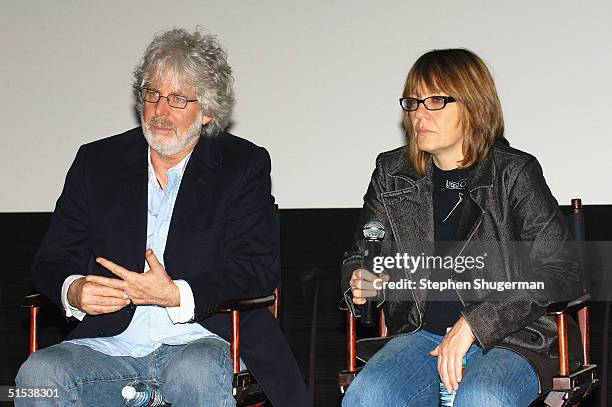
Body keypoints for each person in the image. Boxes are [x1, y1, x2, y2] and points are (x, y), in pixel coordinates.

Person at [16, 28, 311, 407]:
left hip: (202, 341)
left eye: (176, 99)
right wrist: (73, 289)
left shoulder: (241, 165)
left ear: (206, 112)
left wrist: (176, 294)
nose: (160, 111)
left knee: (197, 373)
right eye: (152, 94)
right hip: (108, 346)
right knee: (36, 376)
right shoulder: (97, 163)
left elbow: (256, 269)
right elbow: (51, 259)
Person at [341, 48, 583, 406]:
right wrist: (362, 279)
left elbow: (560, 269)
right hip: (421, 335)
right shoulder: (392, 174)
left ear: (472, 105)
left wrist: (475, 323)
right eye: (414, 102)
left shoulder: (513, 173)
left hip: (513, 337)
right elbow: (362, 254)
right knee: (368, 395)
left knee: (482, 396)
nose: (420, 114)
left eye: (436, 101)